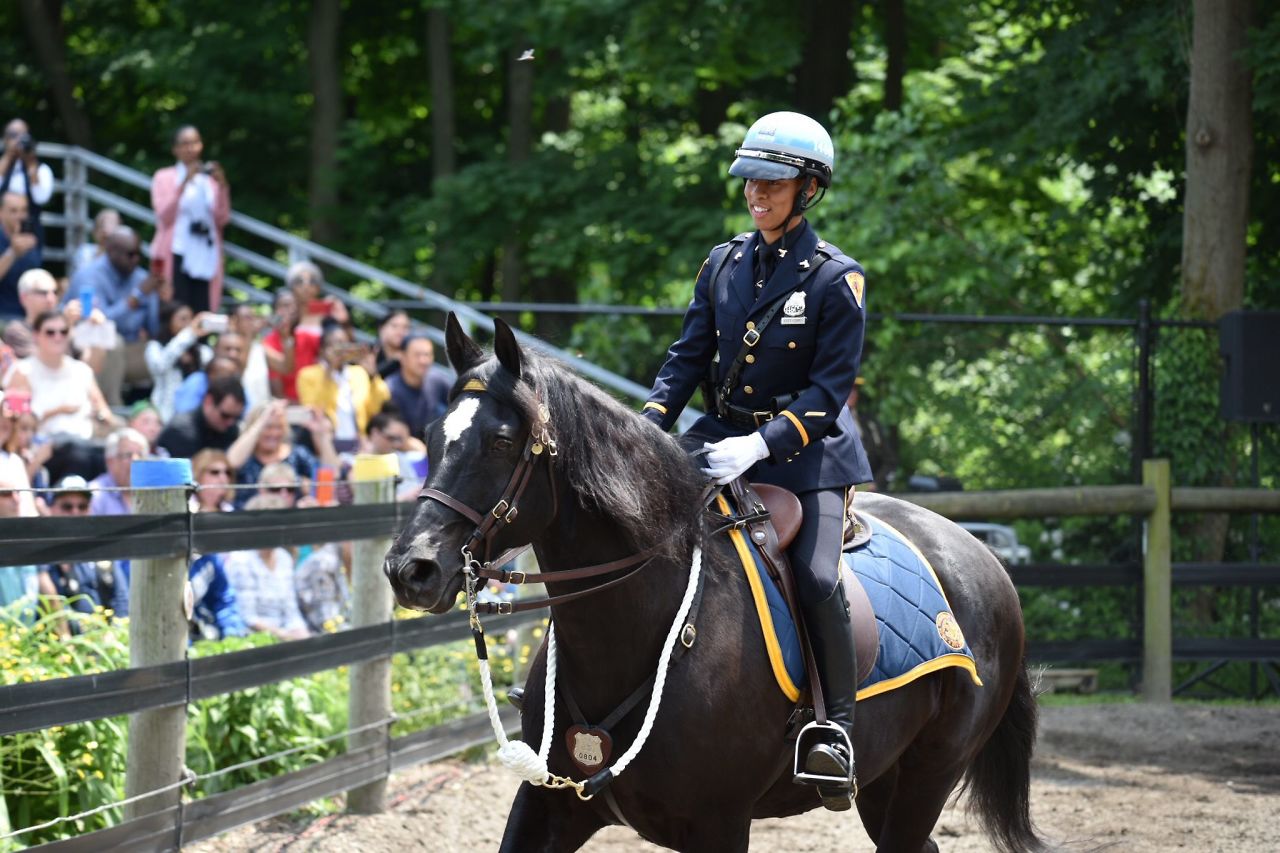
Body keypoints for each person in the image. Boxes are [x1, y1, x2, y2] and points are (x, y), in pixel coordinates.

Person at [640, 111, 869, 811]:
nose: (756, 194)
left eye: (773, 182)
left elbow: (830, 392)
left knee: (818, 573)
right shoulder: (722, 262)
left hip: (807, 457)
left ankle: (837, 730)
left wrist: (764, 444)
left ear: (808, 190)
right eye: (751, 181)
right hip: (718, 438)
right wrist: (649, 427)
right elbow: (685, 358)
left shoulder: (837, 280)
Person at [68, 225, 163, 404]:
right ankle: (110, 407)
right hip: (88, 347)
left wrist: (159, 299)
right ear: (111, 252)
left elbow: (154, 330)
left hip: (131, 347)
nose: (135, 259)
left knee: (172, 353)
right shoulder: (89, 276)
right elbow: (97, 322)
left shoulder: (141, 278)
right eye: (130, 254)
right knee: (112, 341)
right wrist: (135, 298)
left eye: (138, 254)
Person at [150, 125, 231, 314]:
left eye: (195, 142)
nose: (191, 148)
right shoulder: (164, 177)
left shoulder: (210, 181)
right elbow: (163, 215)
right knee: (175, 308)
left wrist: (223, 187)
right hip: (176, 252)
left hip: (204, 252)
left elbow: (222, 218)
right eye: (185, 144)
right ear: (175, 149)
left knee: (202, 309)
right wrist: (185, 182)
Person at [5, 310, 114, 441]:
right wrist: (58, 411)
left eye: (64, 332)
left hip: (85, 443)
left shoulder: (82, 371)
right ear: (36, 335)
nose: (58, 337)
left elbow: (105, 413)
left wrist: (100, 417)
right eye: (50, 332)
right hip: (42, 448)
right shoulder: (22, 371)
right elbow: (14, 424)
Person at [223, 493, 310, 640]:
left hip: (286, 634)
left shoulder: (284, 558)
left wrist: (302, 634)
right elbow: (248, 618)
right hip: (252, 638)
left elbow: (291, 611)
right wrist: (285, 636)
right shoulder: (241, 561)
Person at [226, 399, 336, 509]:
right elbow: (230, 462)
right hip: (249, 519)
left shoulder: (297, 455)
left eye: (279, 427)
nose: (274, 433)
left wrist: (322, 436)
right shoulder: (245, 456)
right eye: (268, 427)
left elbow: (331, 474)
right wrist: (262, 421)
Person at [296, 324, 390, 451]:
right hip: (325, 444)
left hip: (358, 444)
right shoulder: (307, 375)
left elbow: (376, 409)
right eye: (334, 345)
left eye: (344, 344)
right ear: (323, 350)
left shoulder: (358, 373)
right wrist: (329, 372)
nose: (340, 350)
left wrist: (373, 377)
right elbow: (313, 411)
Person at [262, 263, 348, 402]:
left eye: (312, 281)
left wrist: (344, 323)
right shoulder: (270, 341)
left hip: (321, 400)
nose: (306, 286)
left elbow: (342, 354)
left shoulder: (313, 332)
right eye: (299, 281)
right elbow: (278, 384)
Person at [146, 302, 214, 421]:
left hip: (194, 414)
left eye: (191, 319)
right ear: (169, 322)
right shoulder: (155, 347)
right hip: (163, 413)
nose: (189, 324)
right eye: (183, 319)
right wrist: (188, 335)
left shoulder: (202, 351)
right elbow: (160, 366)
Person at [157, 375, 245, 458]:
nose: (230, 422)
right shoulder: (180, 431)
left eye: (237, 417)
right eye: (225, 415)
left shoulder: (231, 431)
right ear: (208, 401)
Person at [3, 268, 84, 358]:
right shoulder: (17, 331)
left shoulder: (70, 327)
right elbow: (46, 363)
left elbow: (88, 364)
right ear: (24, 298)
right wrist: (65, 325)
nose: (51, 299)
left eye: (54, 292)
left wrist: (95, 331)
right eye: (43, 293)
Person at [0, 119, 52, 251]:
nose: (19, 140)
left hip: (29, 231)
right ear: (5, 140)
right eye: (13, 135)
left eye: (23, 135)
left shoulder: (41, 169)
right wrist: (8, 157)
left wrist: (30, 163)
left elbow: (41, 198)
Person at [387, 334, 451, 439]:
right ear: (402, 357)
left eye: (427, 355)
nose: (423, 361)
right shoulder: (390, 388)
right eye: (417, 355)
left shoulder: (436, 379)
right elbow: (392, 435)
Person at [88, 427, 148, 516]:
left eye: (141, 455)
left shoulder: (153, 492)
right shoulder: (95, 494)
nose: (136, 460)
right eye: (128, 455)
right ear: (110, 461)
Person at [0, 192, 41, 320]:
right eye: (13, 211)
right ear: (1, 213)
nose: (20, 216)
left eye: (24, 210)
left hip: (29, 315)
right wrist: (13, 253)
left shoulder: (31, 237)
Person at [69, 208, 122, 277]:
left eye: (111, 224)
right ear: (95, 232)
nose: (105, 229)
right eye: (101, 225)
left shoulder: (123, 255)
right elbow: (82, 278)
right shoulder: (85, 251)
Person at [190, 448, 235, 513]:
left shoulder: (229, 509)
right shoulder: (186, 507)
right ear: (198, 475)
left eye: (228, 472)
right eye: (215, 472)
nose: (223, 477)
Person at [374, 310, 411, 377]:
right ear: (381, 328)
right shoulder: (371, 353)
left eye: (405, 327)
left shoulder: (411, 357)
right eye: (394, 326)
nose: (400, 332)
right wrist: (393, 362)